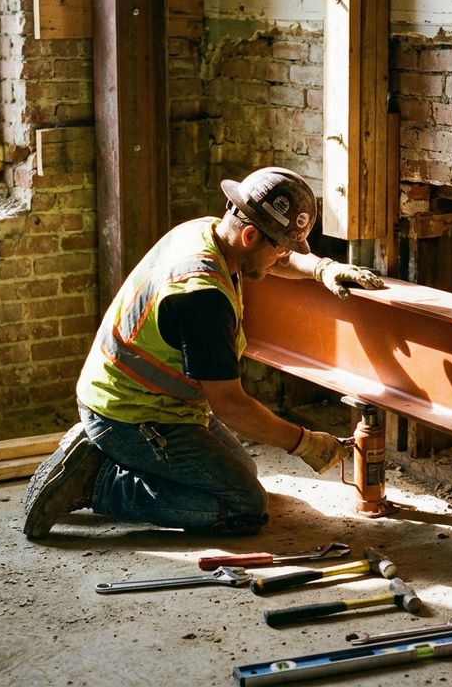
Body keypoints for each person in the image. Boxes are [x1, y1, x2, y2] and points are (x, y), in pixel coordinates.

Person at [22, 167, 385, 539]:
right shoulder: (202, 298)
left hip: (155, 403)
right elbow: (231, 405)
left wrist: (321, 269)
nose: (281, 258)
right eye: (280, 248)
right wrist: (304, 443)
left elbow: (276, 257)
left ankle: (108, 455)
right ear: (249, 235)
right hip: (130, 413)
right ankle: (96, 482)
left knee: (244, 471)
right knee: (244, 506)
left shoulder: (210, 230)